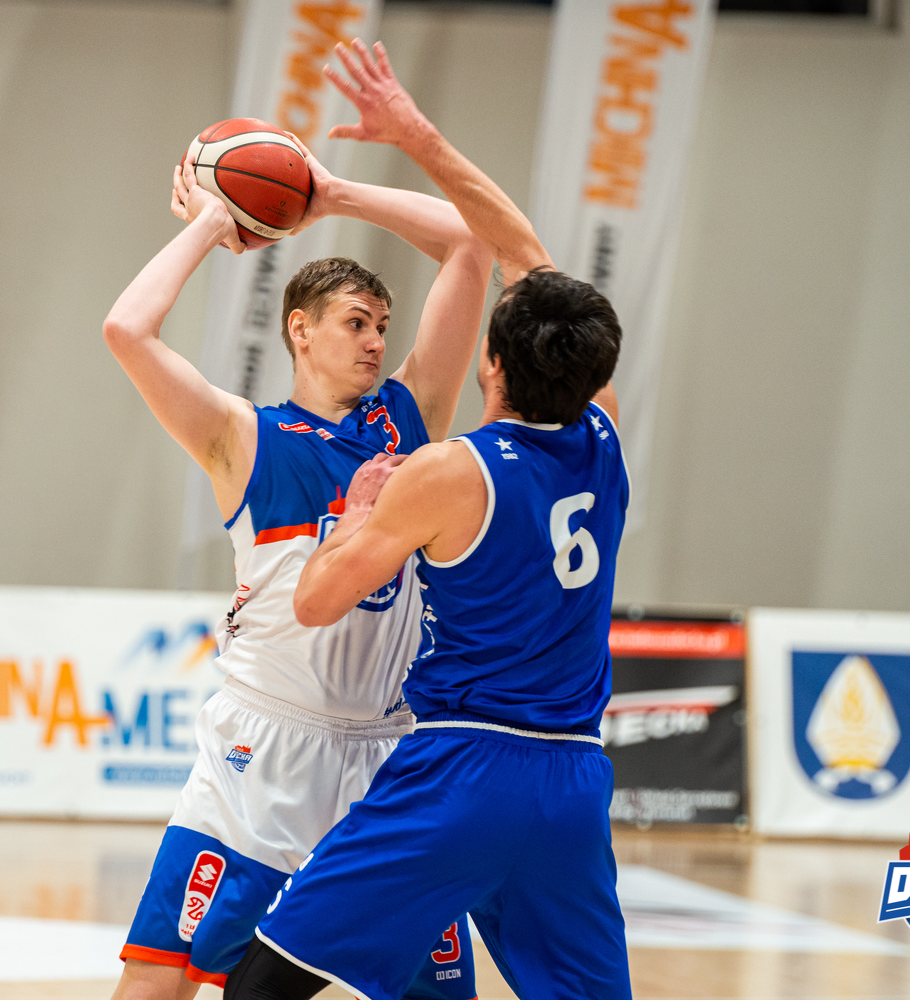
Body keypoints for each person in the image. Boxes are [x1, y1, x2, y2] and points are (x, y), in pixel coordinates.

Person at [222, 40, 632, 1000]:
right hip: (574, 781)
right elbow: (518, 252)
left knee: (262, 989)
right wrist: (411, 141)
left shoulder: (448, 471)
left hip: (460, 771)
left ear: (493, 365)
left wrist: (356, 513)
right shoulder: (606, 437)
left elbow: (317, 602)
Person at [102, 133, 494, 1000]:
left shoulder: (412, 418)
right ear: (300, 329)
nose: (375, 342)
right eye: (356, 323)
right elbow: (127, 329)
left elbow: (469, 241)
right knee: (157, 983)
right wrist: (213, 220)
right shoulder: (242, 436)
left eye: (382, 327)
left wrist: (331, 193)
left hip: (387, 753)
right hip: (263, 751)